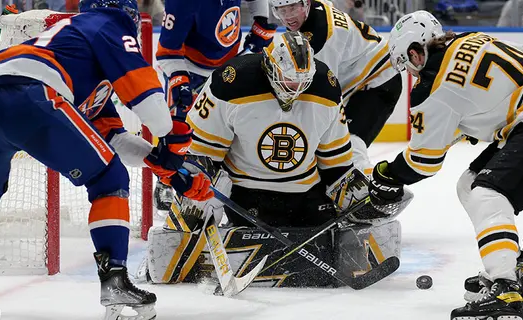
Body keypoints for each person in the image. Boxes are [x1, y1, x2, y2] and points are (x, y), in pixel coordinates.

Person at [0, 1, 212, 319]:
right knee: (109, 180)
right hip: (32, 96)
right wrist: (172, 142)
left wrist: (164, 166)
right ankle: (114, 281)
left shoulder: (75, 44)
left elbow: (113, 140)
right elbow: (152, 107)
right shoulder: (110, 25)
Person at [138, 31, 404, 288]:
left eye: (303, 82)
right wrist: (193, 181)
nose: (296, 89)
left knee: (360, 194)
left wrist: (365, 199)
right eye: (289, 81)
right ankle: (171, 258)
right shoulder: (231, 82)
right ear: (271, 67)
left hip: (305, 195)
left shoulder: (326, 87)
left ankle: (364, 253)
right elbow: (203, 153)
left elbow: (337, 164)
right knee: (199, 181)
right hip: (245, 197)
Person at [370, 10, 523, 320]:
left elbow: (423, 161)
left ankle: (506, 287)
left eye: (409, 64)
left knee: (487, 194)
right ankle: (511, 266)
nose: (412, 73)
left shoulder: (432, 87)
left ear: (416, 51)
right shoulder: (471, 39)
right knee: (469, 183)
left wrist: (389, 174)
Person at [154, 0, 277, 211]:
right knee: (178, 129)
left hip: (229, 66)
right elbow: (167, 51)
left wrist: (263, 21)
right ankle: (166, 181)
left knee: (232, 129)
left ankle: (234, 183)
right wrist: (179, 78)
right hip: (189, 69)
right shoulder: (180, 3)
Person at [268, 0, 402, 192]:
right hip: (365, 78)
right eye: (281, 10)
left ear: (305, 4)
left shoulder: (320, 40)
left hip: (379, 81)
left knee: (348, 145)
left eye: (292, 8)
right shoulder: (315, 10)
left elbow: (324, 95)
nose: (288, 16)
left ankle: (373, 201)